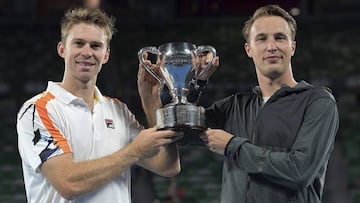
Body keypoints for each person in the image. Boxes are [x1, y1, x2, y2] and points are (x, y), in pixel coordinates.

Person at [138, 4, 339, 203]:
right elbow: (179, 133)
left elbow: (300, 171)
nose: (271, 46)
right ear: (249, 49)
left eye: (279, 37)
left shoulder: (317, 102)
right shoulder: (235, 106)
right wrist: (195, 83)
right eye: (261, 39)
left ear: (292, 47)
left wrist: (232, 146)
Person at [17, 7, 181, 203]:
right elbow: (69, 184)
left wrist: (152, 102)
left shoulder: (118, 110)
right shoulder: (38, 110)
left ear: (106, 55)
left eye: (95, 46)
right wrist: (134, 151)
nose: (87, 52)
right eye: (79, 44)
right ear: (62, 49)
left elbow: (167, 166)